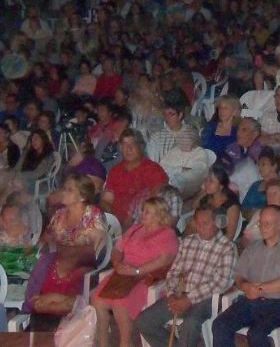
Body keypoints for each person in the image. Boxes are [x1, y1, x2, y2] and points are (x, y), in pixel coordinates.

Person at [135, 205, 237, 347]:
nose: (200, 228)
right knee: (143, 322)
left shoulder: (228, 247)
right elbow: (174, 272)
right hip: (179, 294)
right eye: (198, 223)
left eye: (205, 223)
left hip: (206, 299)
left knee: (190, 324)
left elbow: (221, 282)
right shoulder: (188, 241)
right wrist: (171, 294)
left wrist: (189, 299)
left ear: (218, 223)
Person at [212, 205, 280, 347]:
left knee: (257, 334)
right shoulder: (252, 247)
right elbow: (239, 275)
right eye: (260, 223)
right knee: (220, 325)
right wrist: (246, 286)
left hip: (277, 304)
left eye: (267, 224)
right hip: (249, 301)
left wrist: (260, 289)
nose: (262, 227)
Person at [91, 197, 179, 347]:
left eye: (148, 212)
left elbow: (164, 260)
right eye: (143, 210)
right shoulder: (136, 229)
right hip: (123, 274)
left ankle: (126, 342)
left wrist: (136, 271)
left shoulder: (167, 234)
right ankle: (103, 343)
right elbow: (117, 249)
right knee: (96, 299)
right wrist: (117, 262)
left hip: (146, 277)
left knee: (120, 303)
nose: (142, 214)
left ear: (159, 215)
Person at [27, 174, 106, 327]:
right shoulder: (59, 215)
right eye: (64, 189)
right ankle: (51, 307)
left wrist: (67, 252)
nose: (63, 192)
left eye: (69, 190)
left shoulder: (92, 215)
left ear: (83, 197)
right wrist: (30, 252)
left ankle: (56, 306)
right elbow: (46, 239)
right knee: (41, 272)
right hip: (58, 262)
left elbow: (96, 249)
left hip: (82, 265)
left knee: (64, 293)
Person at [102, 129, 168, 226]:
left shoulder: (153, 169)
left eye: (133, 144)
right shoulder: (115, 171)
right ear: (120, 147)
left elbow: (158, 202)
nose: (128, 149)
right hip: (116, 225)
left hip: (142, 225)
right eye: (124, 145)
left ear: (140, 146)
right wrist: (112, 222)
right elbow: (107, 200)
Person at [242, 178, 280, 244]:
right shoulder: (259, 214)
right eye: (268, 194)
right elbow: (245, 238)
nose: (270, 197)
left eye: (275, 193)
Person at [240, 149, 280, 217]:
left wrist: (263, 214)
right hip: (252, 219)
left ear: (274, 166)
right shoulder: (255, 185)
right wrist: (252, 215)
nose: (259, 168)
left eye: (263, 164)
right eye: (258, 165)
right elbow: (244, 207)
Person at [190, 167, 242, 241]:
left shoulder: (232, 206)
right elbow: (194, 206)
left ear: (221, 186)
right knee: (191, 224)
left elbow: (230, 235)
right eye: (206, 180)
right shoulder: (207, 197)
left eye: (211, 181)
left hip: (217, 240)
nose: (206, 184)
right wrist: (204, 192)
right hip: (200, 233)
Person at [201, 95, 240, 160]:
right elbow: (203, 149)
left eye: (226, 108)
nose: (221, 111)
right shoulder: (210, 127)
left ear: (234, 111)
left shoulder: (238, 131)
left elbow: (236, 155)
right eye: (220, 108)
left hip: (227, 163)